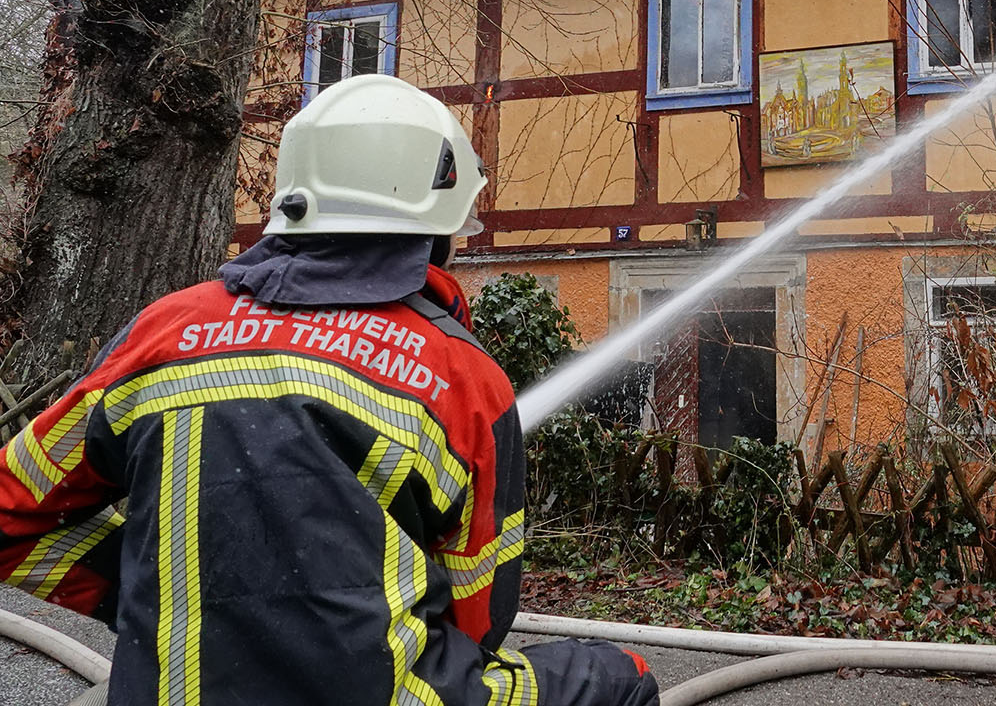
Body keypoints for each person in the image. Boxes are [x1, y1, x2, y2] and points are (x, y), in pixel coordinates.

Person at [0, 74, 658, 706]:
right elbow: (479, 618)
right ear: (434, 229)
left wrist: (180, 600)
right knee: (619, 678)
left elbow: (11, 515)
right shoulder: (458, 373)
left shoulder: (165, 333)